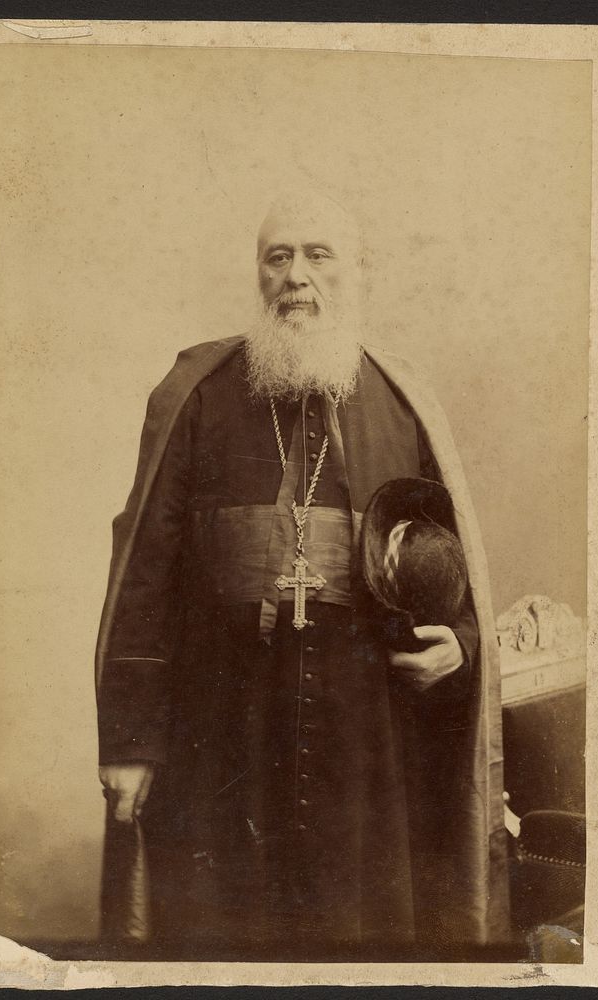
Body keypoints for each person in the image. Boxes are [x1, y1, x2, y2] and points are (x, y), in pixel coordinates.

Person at [95, 191, 509, 961]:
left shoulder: (402, 400)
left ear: (358, 272)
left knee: (362, 931)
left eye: (318, 255)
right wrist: (127, 739)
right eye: (277, 256)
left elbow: (451, 567)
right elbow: (142, 571)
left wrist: (458, 641)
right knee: (219, 931)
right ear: (258, 273)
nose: (296, 277)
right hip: (219, 725)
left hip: (370, 735)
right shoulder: (196, 394)